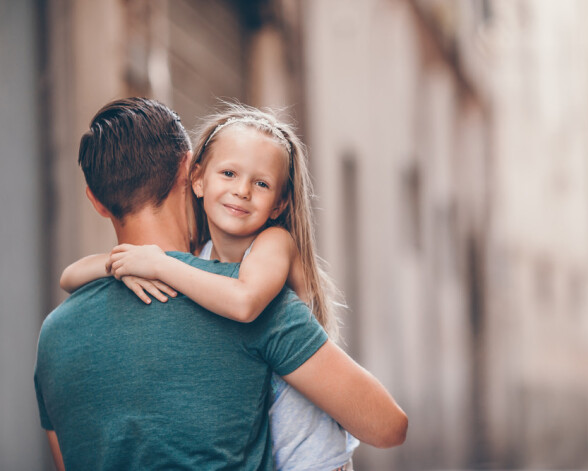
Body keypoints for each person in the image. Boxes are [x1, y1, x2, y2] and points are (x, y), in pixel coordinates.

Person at [34, 97, 407, 471]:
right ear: (191, 171)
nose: (242, 190)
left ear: (96, 201)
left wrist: (147, 264)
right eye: (229, 174)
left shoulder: (53, 337)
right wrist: (129, 264)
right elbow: (388, 426)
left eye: (259, 183)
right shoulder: (245, 299)